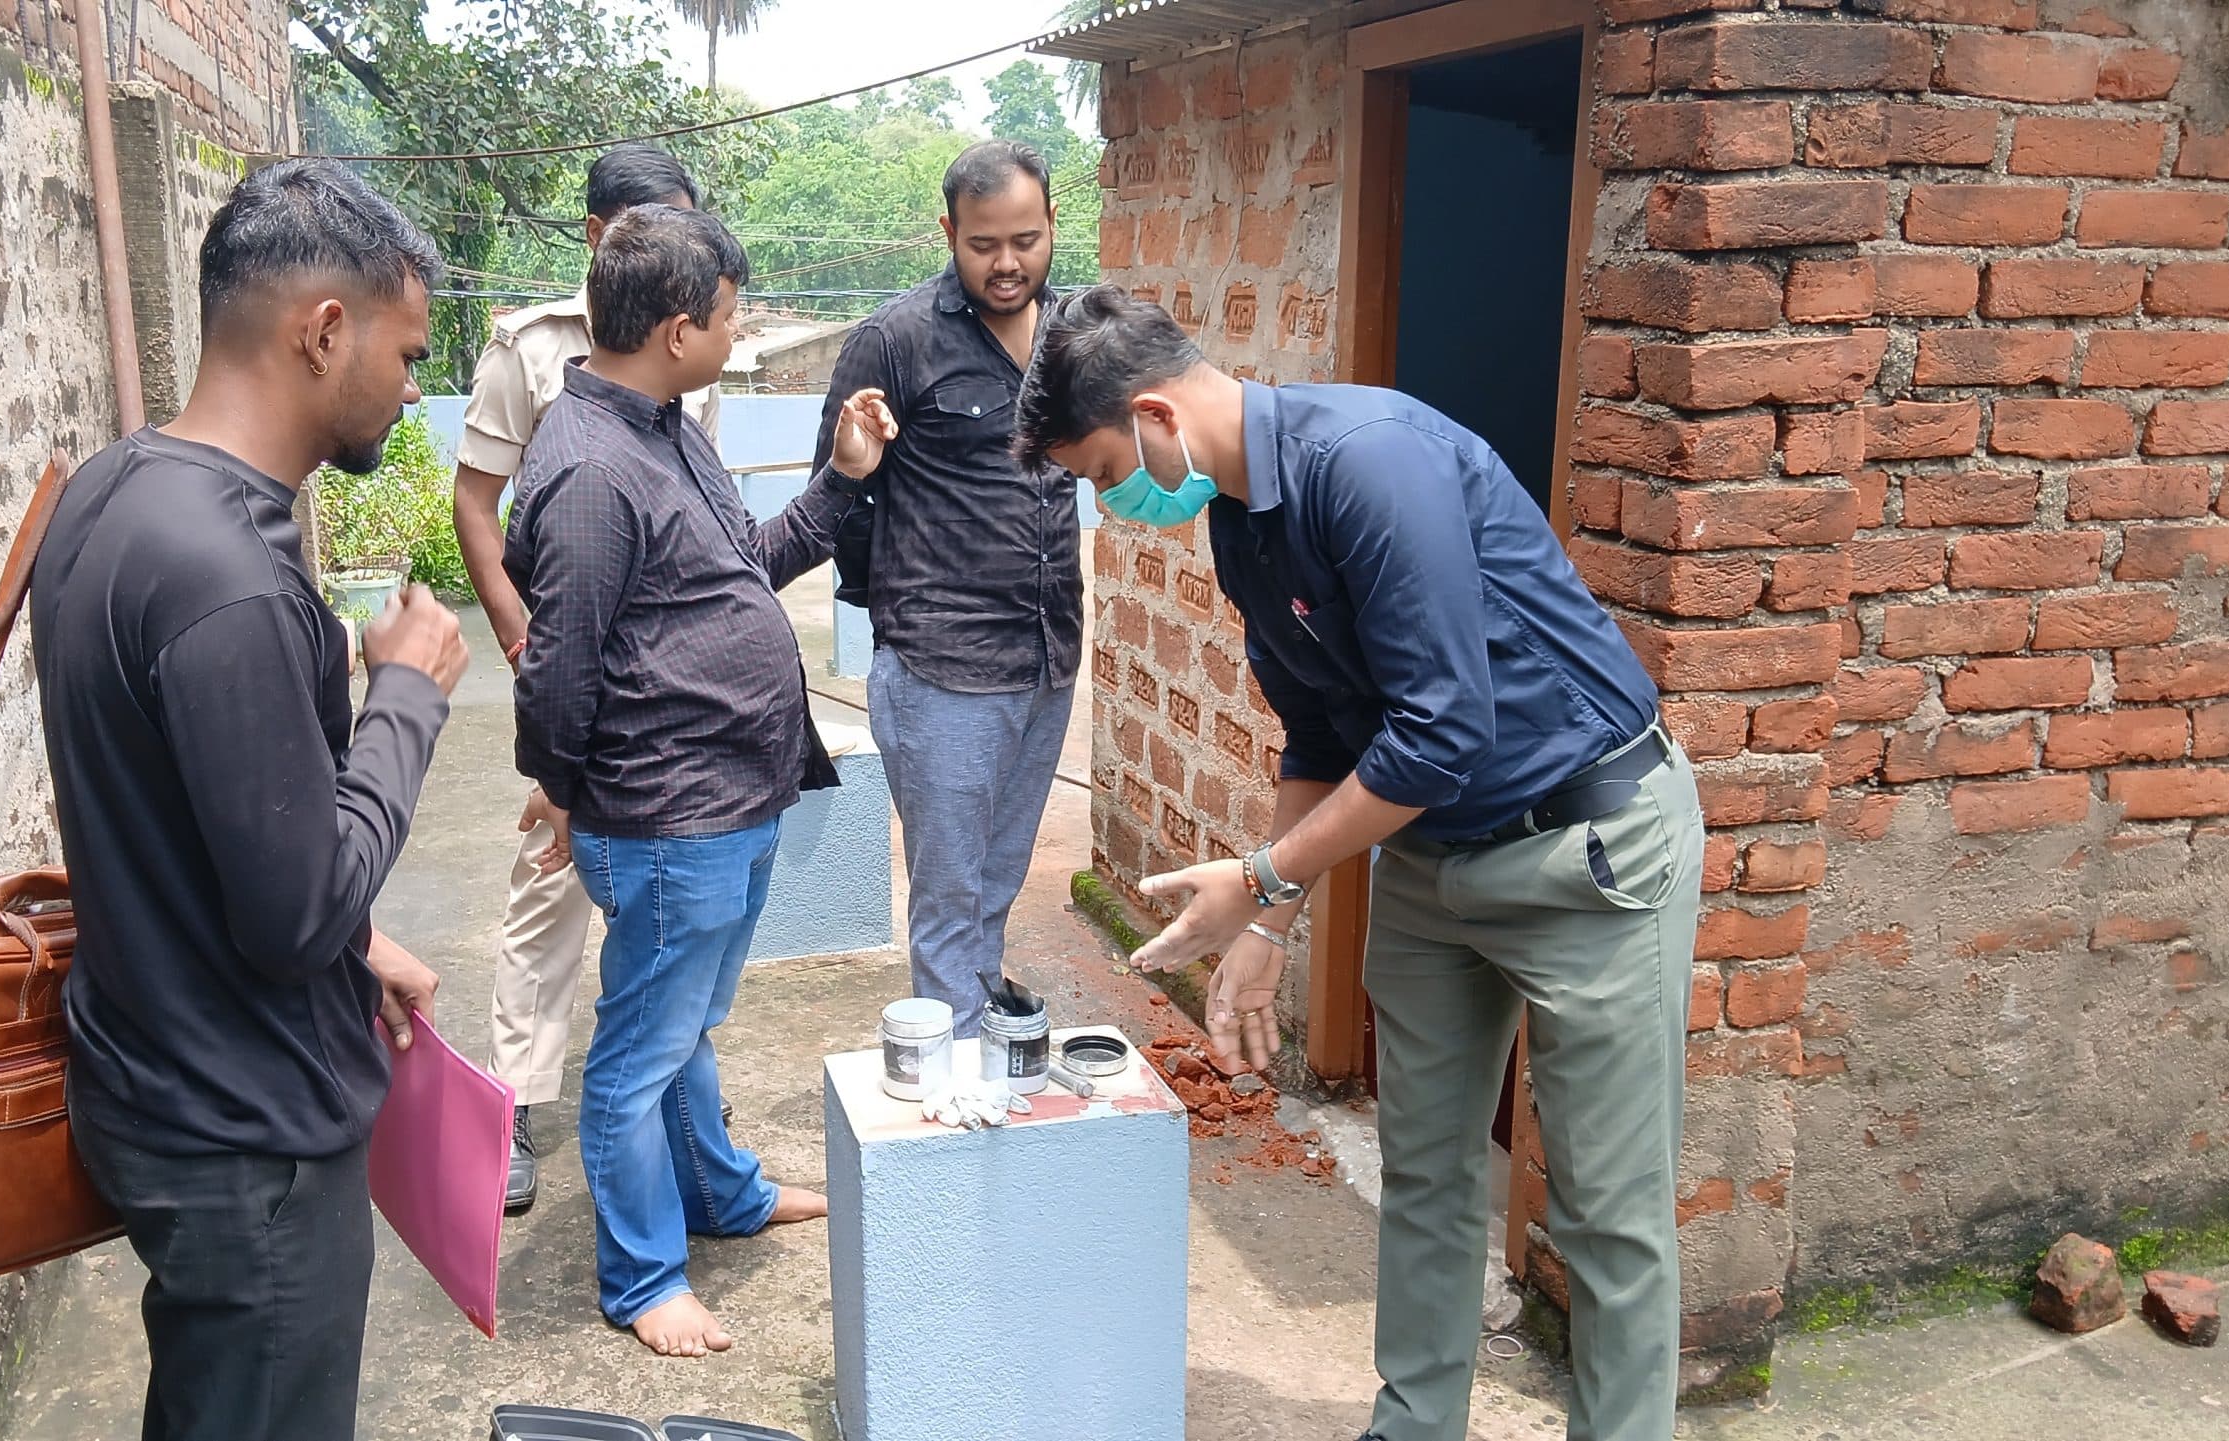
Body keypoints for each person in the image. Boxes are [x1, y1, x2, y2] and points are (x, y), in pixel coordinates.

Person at [1014, 286, 1704, 1441]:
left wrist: (1266, 877)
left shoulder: (1370, 461)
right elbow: (1326, 734)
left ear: (1153, 413)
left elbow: (1441, 730)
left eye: (1096, 468)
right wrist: (1264, 931)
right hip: (1432, 854)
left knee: (1604, 1210)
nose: (1108, 498)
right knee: (1425, 1171)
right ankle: (1413, 1423)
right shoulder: (1239, 517)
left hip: (1584, 852)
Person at [30, 158, 467, 1441]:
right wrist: (406, 697)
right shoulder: (228, 578)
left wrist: (355, 943)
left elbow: (192, 818)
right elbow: (289, 913)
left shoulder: (112, 491)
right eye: (405, 349)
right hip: (247, 1142)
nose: (412, 384)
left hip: (160, 1080)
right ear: (323, 331)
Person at [502, 204, 898, 1359]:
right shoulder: (584, 470)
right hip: (668, 812)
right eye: (731, 317)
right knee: (634, 1058)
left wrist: (839, 480)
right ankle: (642, 1277)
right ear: (679, 328)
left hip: (730, 798)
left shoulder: (665, 428)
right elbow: (557, 662)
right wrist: (559, 785)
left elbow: (745, 566)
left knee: (687, 1021)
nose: (739, 333)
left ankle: (720, 1193)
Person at [448, 141, 722, 1214]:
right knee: (550, 881)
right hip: (569, 656)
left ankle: (687, 1109)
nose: (668, 249)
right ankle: (512, 1101)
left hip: (661, 677)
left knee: (674, 890)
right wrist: (527, 647)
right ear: (595, 233)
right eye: (647, 225)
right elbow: (477, 505)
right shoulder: (531, 348)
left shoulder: (692, 331)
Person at [812, 138, 1079, 1038]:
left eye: (1027, 240)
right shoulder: (897, 339)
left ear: (1052, 225)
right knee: (948, 889)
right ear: (948, 232)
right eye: (984, 244)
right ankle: (957, 1086)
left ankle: (979, 1020)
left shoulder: (1072, 334)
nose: (1008, 263)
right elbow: (837, 491)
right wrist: (899, 607)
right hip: (944, 669)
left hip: (1047, 655)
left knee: (998, 876)